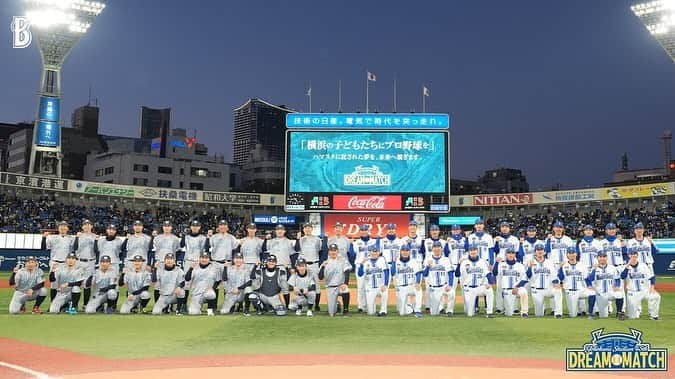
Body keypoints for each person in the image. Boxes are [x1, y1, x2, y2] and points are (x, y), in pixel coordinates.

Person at [621, 248, 660, 320]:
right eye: (632, 256)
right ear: (629, 256)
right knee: (632, 317)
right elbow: (622, 276)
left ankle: (654, 315)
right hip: (632, 292)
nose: (634, 258)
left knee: (655, 296)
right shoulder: (625, 267)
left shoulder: (643, 266)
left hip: (645, 290)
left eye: (635, 256)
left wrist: (652, 288)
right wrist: (628, 265)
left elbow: (652, 277)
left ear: (637, 256)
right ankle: (636, 312)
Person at [457, 244, 495, 318]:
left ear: (477, 252)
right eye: (471, 251)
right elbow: (457, 274)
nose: (473, 252)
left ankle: (489, 312)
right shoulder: (464, 262)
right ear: (468, 252)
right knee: (470, 314)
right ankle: (471, 310)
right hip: (468, 289)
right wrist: (459, 264)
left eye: (474, 250)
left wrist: (490, 283)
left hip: (479, 288)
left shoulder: (482, 262)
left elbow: (488, 274)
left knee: (489, 290)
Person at [585, 251, 625, 320]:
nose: (602, 258)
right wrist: (594, 269)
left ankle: (619, 313)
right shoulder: (593, 268)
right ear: (597, 258)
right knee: (603, 316)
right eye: (600, 257)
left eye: (604, 257)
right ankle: (590, 314)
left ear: (607, 258)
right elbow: (590, 279)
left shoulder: (612, 268)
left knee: (619, 294)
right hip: (600, 294)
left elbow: (617, 278)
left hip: (610, 292)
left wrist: (617, 286)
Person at [349, 224, 379, 313]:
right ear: (360, 231)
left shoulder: (373, 241)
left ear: (368, 230)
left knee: (371, 286)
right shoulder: (356, 242)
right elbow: (352, 254)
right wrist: (350, 245)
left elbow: (379, 253)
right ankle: (361, 306)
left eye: (365, 229)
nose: (364, 231)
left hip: (371, 266)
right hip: (360, 266)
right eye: (362, 230)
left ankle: (370, 305)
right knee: (361, 287)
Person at [526, 244, 562, 318]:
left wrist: (556, 283)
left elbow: (554, 274)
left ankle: (558, 313)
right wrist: (529, 267)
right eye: (538, 250)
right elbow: (528, 276)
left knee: (558, 291)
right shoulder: (530, 262)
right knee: (539, 314)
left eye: (541, 250)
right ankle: (542, 308)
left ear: (544, 252)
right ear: (535, 252)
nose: (540, 251)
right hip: (536, 290)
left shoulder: (549, 262)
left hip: (548, 288)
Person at [42, 221, 75, 302]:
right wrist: (43, 238)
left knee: (65, 285)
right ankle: (53, 303)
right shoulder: (52, 237)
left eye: (65, 226)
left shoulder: (71, 238)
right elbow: (43, 248)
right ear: (58, 228)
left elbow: (75, 250)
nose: (63, 228)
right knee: (54, 285)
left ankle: (65, 304)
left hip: (66, 264)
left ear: (67, 228)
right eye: (61, 226)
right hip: (55, 263)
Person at [294, 222, 323, 311]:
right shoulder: (301, 239)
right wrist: (298, 239)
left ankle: (317, 305)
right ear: (303, 230)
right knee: (301, 284)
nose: (307, 229)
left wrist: (320, 264)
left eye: (309, 227)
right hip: (303, 266)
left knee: (317, 285)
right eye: (305, 228)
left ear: (312, 229)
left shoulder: (317, 239)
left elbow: (321, 252)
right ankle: (301, 305)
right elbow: (296, 249)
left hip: (314, 264)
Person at [493, 221, 521, 314]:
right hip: (501, 262)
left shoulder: (514, 239)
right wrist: (496, 242)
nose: (504, 228)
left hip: (513, 263)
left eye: (506, 226)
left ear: (509, 228)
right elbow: (496, 250)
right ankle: (499, 307)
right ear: (500, 228)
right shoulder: (497, 238)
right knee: (500, 287)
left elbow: (517, 253)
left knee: (515, 285)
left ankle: (515, 307)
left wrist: (518, 263)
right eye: (503, 226)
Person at [492, 248, 528, 318]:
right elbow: (494, 273)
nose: (511, 255)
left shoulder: (520, 265)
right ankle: (508, 310)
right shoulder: (501, 264)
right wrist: (496, 263)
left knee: (524, 292)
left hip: (517, 288)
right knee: (509, 313)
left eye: (512, 253)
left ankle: (524, 312)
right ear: (506, 255)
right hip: (507, 290)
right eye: (509, 253)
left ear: (515, 254)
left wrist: (517, 287)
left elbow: (525, 279)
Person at [558, 247, 594, 318]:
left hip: (581, 290)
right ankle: (575, 311)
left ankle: (590, 312)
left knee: (592, 293)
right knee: (573, 315)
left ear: (576, 254)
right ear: (567, 255)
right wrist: (560, 269)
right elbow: (561, 278)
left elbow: (586, 278)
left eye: (573, 253)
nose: (572, 255)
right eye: (570, 253)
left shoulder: (582, 265)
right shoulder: (564, 265)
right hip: (570, 292)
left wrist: (589, 286)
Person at [318, 243, 352, 317]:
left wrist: (345, 283)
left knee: (345, 289)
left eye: (335, 250)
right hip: (330, 287)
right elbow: (320, 277)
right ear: (329, 252)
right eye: (331, 250)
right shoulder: (325, 262)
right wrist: (323, 267)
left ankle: (345, 310)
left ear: (337, 251)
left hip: (340, 286)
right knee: (331, 313)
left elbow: (347, 272)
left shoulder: (342, 260)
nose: (333, 252)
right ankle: (337, 305)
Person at [423, 241, 454, 317]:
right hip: (433, 288)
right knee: (434, 313)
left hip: (444, 286)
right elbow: (425, 274)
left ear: (441, 249)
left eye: (438, 247)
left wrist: (450, 285)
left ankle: (449, 311)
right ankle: (438, 309)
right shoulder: (427, 260)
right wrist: (427, 266)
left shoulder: (446, 259)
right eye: (435, 247)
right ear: (432, 249)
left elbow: (450, 273)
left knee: (452, 292)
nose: (437, 249)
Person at [357, 244, 389, 317]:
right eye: (373, 251)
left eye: (376, 251)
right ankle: (372, 309)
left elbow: (386, 272)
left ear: (378, 252)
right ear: (370, 252)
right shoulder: (366, 262)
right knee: (371, 312)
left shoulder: (382, 260)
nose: (374, 253)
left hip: (380, 286)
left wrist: (385, 284)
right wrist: (361, 265)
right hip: (370, 288)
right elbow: (360, 274)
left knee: (385, 292)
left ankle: (383, 311)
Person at [391, 245, 423, 317]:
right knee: (402, 313)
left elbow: (418, 273)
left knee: (418, 290)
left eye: (407, 251)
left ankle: (417, 310)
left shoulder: (413, 261)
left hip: (411, 286)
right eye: (403, 251)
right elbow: (393, 273)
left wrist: (417, 283)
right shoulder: (396, 261)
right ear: (400, 252)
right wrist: (393, 262)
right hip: (401, 287)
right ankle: (409, 307)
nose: (405, 252)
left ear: (409, 252)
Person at [184, 251, 219, 316]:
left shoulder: (214, 267)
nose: (204, 259)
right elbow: (187, 278)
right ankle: (198, 309)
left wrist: (212, 288)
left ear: (209, 259)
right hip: (196, 294)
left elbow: (218, 280)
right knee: (193, 312)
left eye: (206, 258)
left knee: (210, 294)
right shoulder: (194, 266)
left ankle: (210, 309)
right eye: (202, 258)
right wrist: (190, 268)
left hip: (207, 292)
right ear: (199, 258)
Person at [73, 219, 97, 310]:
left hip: (90, 262)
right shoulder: (79, 236)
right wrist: (76, 238)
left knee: (87, 284)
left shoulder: (95, 236)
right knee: (77, 283)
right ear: (82, 226)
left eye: (88, 224)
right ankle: (74, 305)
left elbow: (96, 250)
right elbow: (74, 248)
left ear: (91, 226)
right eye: (85, 225)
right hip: (79, 261)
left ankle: (86, 304)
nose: (87, 226)